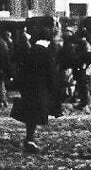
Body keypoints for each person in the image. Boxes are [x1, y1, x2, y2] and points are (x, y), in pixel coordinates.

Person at [11, 17, 62, 153]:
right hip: (40, 88)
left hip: (29, 87)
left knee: (31, 115)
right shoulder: (45, 53)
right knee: (35, 114)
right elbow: (50, 73)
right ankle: (29, 140)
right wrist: (54, 89)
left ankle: (29, 138)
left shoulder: (32, 50)